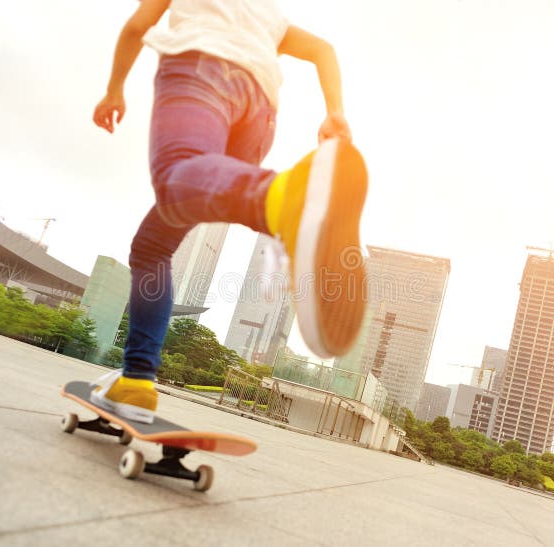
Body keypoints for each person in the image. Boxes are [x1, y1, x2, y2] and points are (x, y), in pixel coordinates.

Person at [90, 0, 368, 423]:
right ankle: (136, 380)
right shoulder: (267, 14)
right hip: (260, 110)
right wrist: (336, 112)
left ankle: (285, 196)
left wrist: (114, 90)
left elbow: (137, 27)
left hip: (201, 72)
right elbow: (322, 50)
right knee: (152, 246)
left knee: (176, 174)